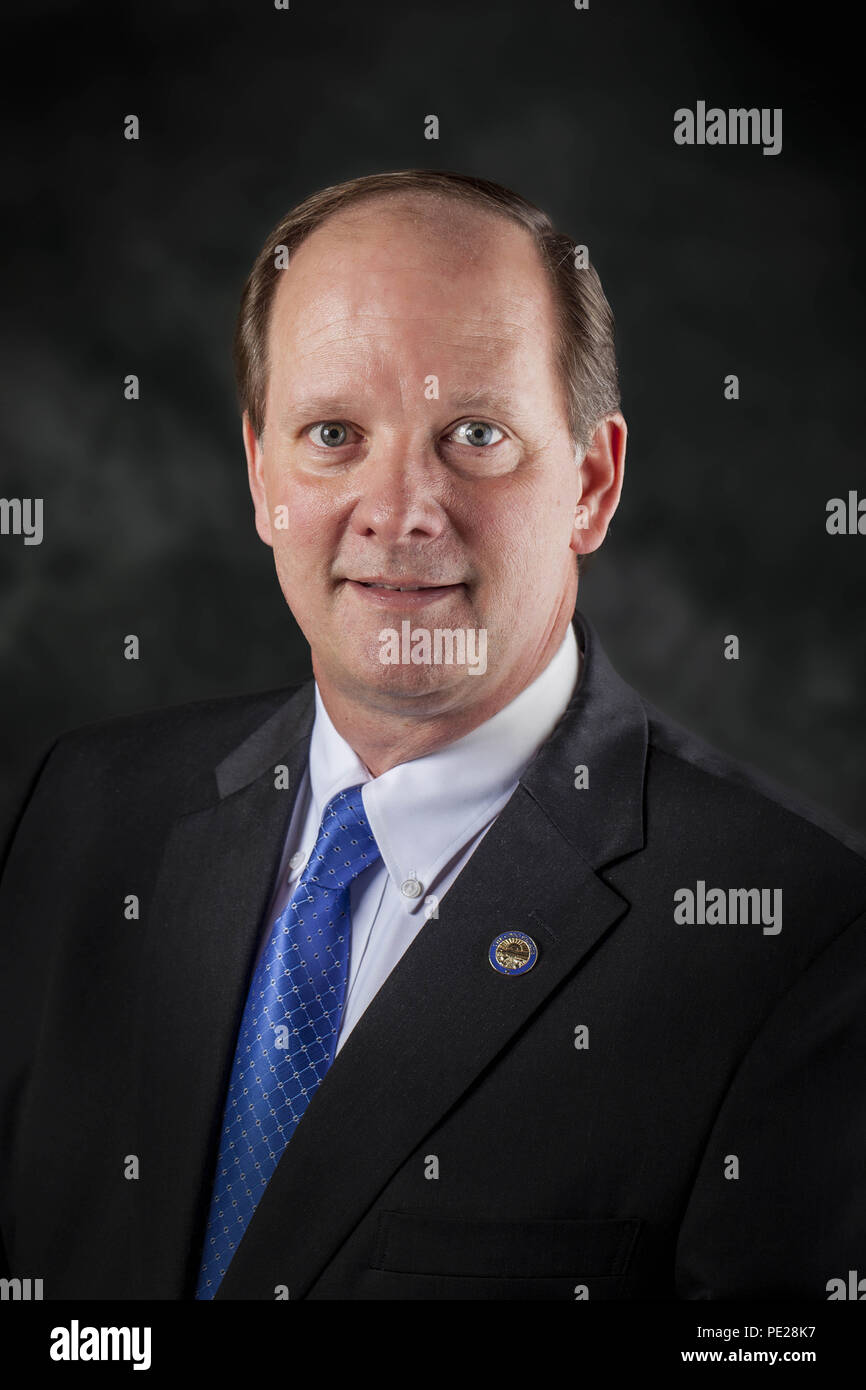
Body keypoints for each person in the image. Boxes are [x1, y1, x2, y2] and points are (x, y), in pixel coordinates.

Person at [1, 170, 864, 1302]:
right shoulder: (87, 808)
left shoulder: (798, 946)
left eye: (473, 433)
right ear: (263, 474)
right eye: (331, 433)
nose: (400, 507)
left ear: (590, 485)